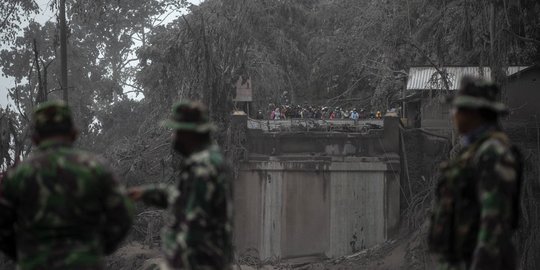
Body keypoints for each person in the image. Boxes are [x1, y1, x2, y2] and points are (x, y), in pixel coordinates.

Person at [0, 101, 134, 270]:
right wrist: (98, 249)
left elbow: (2, 224)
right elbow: (123, 214)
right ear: (74, 133)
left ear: (35, 138)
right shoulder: (95, 168)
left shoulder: (18, 174)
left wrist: (25, 255)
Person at [428, 76, 523, 270]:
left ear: (474, 113)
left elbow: (494, 221)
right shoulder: (472, 152)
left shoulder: (493, 152)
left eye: (459, 109)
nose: (453, 114)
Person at [129, 101, 232, 270]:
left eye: (177, 131)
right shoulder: (209, 160)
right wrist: (146, 193)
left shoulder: (202, 168)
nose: (173, 137)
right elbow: (182, 196)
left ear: (189, 134)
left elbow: (193, 229)